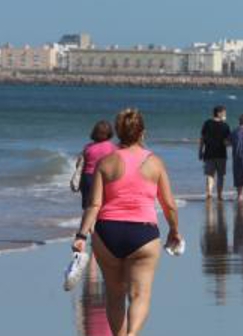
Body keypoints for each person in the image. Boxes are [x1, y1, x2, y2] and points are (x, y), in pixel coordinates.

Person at [72, 108, 180, 336]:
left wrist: (81, 236)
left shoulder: (106, 162)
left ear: (118, 132)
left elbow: (94, 205)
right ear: (143, 132)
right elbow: (169, 204)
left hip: (107, 233)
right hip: (143, 234)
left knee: (114, 294)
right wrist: (174, 230)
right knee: (140, 295)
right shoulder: (155, 163)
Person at [73, 120, 117, 211]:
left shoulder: (87, 147)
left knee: (88, 207)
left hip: (87, 178)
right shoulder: (112, 147)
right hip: (104, 178)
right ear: (109, 134)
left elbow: (78, 164)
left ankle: (89, 223)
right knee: (102, 205)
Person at [199, 105, 231, 200]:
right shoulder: (225, 126)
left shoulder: (207, 123)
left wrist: (200, 151)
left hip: (209, 153)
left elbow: (202, 139)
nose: (225, 115)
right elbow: (227, 142)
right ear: (219, 113)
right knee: (221, 175)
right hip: (221, 154)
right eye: (224, 113)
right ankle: (220, 195)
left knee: (210, 175)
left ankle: (209, 193)